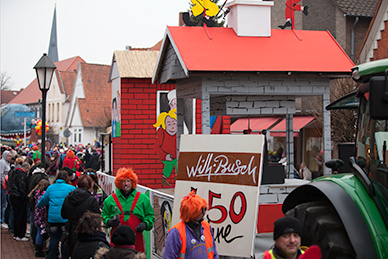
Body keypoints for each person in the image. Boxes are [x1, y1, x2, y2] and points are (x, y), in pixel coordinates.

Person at [102, 167, 155, 252]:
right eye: (123, 181)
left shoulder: (143, 198)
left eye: (128, 181)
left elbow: (150, 216)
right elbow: (104, 215)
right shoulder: (110, 200)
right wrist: (108, 221)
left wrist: (145, 224)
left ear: (133, 182)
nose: (126, 184)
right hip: (117, 244)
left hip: (136, 242)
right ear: (119, 183)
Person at [163, 190, 219, 259]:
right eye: (202, 210)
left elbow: (214, 254)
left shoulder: (206, 226)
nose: (205, 212)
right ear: (193, 213)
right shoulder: (176, 233)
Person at [37, 170, 76, 259]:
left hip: (53, 218)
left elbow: (42, 202)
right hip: (65, 218)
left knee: (54, 238)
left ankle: (51, 256)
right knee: (64, 240)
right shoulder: (71, 188)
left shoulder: (51, 188)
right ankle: (64, 257)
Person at [61, 174, 100, 256]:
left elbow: (63, 215)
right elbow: (97, 218)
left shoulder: (68, 198)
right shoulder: (91, 200)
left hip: (72, 231)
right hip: (87, 233)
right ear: (89, 185)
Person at [9, 162, 30, 241]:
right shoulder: (22, 175)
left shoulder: (15, 172)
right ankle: (20, 234)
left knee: (16, 215)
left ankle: (16, 233)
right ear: (26, 168)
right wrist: (25, 197)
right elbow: (22, 187)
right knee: (21, 216)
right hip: (19, 198)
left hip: (13, 195)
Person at [29, 179, 50, 257]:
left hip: (37, 215)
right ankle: (41, 249)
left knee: (39, 231)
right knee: (42, 232)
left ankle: (38, 248)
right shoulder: (45, 195)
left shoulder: (35, 193)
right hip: (43, 216)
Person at [0, 150, 12, 229]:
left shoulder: (7, 163)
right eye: (9, 156)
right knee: (3, 203)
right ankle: (1, 220)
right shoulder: (2, 162)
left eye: (11, 156)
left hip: (6, 186)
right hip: (3, 186)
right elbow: (1, 174)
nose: (10, 158)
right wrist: (3, 183)